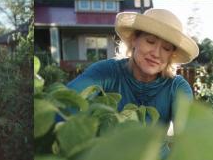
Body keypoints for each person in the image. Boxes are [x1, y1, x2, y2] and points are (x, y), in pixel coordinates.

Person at [67, 8, 198, 133]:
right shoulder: (106, 71)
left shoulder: (177, 87)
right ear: (134, 39)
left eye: (166, 48)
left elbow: (187, 135)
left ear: (171, 55)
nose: (156, 54)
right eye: (150, 41)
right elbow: (68, 103)